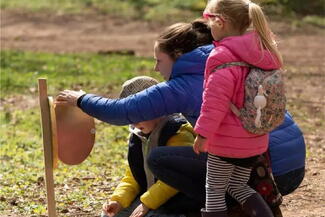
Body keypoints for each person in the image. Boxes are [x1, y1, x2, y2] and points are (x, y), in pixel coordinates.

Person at [55, 18, 305, 216]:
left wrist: (80, 98)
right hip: (289, 165)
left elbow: (121, 112)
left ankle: (229, 210)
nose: (156, 68)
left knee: (162, 160)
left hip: (263, 170)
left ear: (176, 55)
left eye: (159, 60)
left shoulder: (183, 84)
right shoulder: (230, 60)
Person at [192, 0, 284, 216]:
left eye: (209, 20)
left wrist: (203, 134)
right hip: (254, 140)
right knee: (237, 186)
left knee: (214, 189)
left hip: (226, 142)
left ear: (221, 22)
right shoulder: (263, 50)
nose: (208, 27)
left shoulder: (223, 56)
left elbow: (214, 102)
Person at [101, 76, 198, 217]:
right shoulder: (139, 134)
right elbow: (133, 176)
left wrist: (147, 203)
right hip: (148, 199)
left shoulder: (178, 131)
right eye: (129, 117)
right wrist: (118, 200)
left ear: (157, 108)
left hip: (177, 203)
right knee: (110, 214)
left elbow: (175, 179)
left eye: (138, 114)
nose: (134, 123)